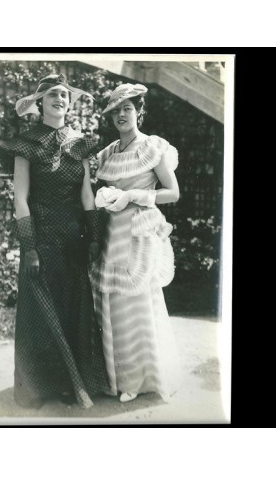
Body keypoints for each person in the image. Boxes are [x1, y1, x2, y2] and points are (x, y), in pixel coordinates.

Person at [0, 73, 109, 409]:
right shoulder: (25, 144)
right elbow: (21, 200)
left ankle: (69, 385)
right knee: (40, 315)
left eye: (65, 96)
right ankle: (37, 388)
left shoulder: (82, 143)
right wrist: (29, 247)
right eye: (54, 95)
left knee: (73, 311)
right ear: (40, 103)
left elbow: (88, 193)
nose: (60, 100)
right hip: (42, 240)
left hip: (73, 240)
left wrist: (93, 237)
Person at [89, 83, 182, 403]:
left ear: (139, 111)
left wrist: (134, 195)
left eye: (127, 108)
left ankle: (141, 379)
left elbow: (173, 192)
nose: (121, 115)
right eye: (115, 111)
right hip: (112, 233)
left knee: (138, 304)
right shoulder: (108, 153)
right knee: (114, 306)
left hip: (139, 232)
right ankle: (117, 378)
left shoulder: (151, 147)